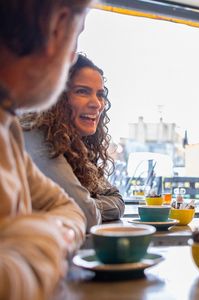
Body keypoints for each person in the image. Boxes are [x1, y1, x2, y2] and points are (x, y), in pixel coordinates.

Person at [0, 0, 91, 299]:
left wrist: (25, 238)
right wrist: (50, 239)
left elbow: (70, 208)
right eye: (76, 35)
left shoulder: (8, 127)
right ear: (57, 27)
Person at [21, 54, 125, 231]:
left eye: (100, 94)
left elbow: (116, 197)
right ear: (55, 96)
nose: (97, 104)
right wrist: (89, 205)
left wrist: (89, 204)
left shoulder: (73, 145)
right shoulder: (38, 138)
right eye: (82, 91)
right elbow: (88, 215)